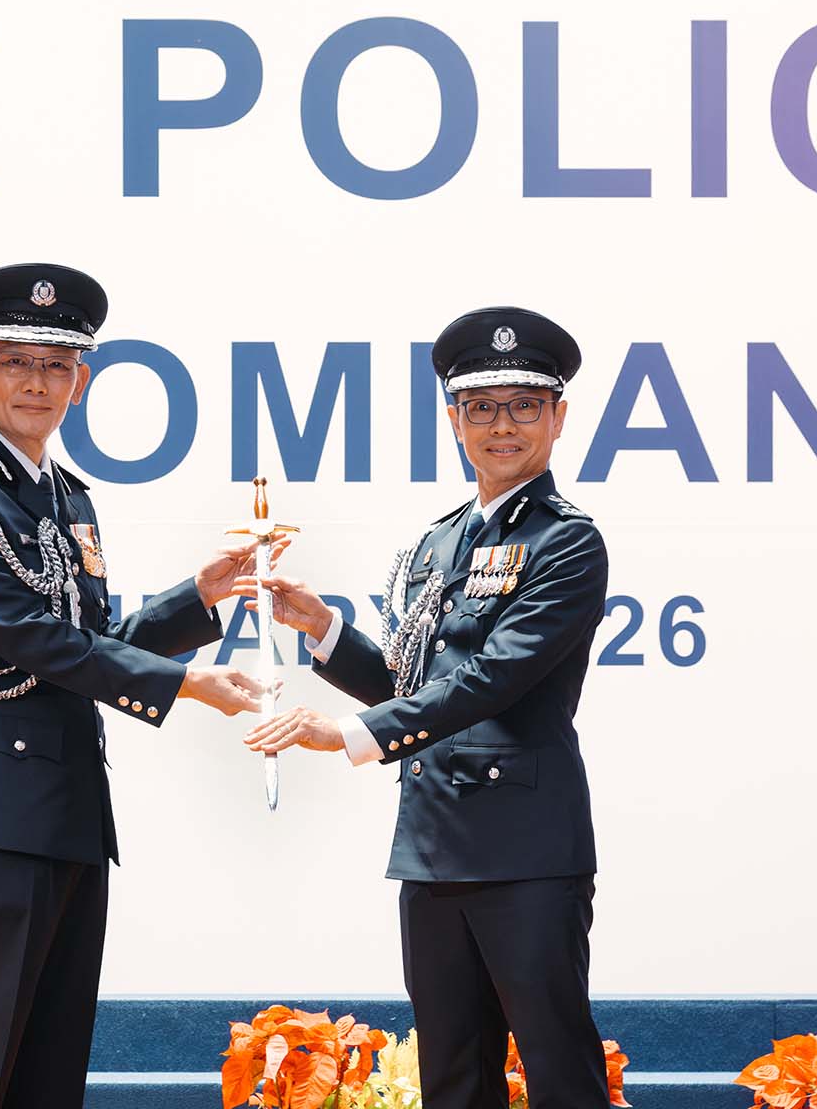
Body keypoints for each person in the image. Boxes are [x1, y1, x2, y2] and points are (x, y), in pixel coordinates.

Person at [0, 261, 269, 1109]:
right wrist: (181, 686)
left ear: (81, 381)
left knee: (51, 1071)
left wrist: (198, 599)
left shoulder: (70, 497)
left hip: (69, 814)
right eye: (17, 360)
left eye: (56, 365)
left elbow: (88, 645)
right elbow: (27, 641)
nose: (37, 382)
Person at [242, 305, 612, 1109]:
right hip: (435, 846)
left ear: (558, 416)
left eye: (522, 406)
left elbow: (491, 682)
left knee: (560, 1074)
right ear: (454, 419)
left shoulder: (567, 541)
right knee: (451, 1075)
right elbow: (416, 685)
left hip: (527, 853)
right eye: (481, 407)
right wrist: (325, 629)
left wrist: (344, 735)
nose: (501, 426)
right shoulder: (438, 541)